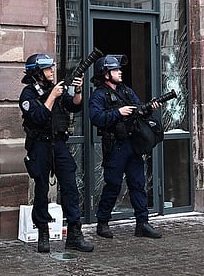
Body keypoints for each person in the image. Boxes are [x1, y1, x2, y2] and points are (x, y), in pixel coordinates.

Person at [19, 53, 93, 254]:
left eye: (52, 68)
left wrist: (77, 89)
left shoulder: (56, 90)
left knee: (70, 186)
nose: (52, 71)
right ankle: (43, 232)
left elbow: (74, 105)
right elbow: (39, 116)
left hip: (58, 144)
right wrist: (52, 96)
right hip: (40, 145)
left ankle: (74, 234)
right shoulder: (28, 95)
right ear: (37, 73)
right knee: (41, 189)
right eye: (47, 69)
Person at [88, 55, 162, 239]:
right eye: (115, 70)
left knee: (138, 184)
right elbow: (96, 118)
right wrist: (117, 113)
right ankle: (103, 222)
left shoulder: (126, 91)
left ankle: (142, 223)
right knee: (113, 184)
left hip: (132, 144)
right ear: (106, 74)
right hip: (115, 147)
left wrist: (149, 108)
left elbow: (138, 109)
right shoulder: (98, 95)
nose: (120, 72)